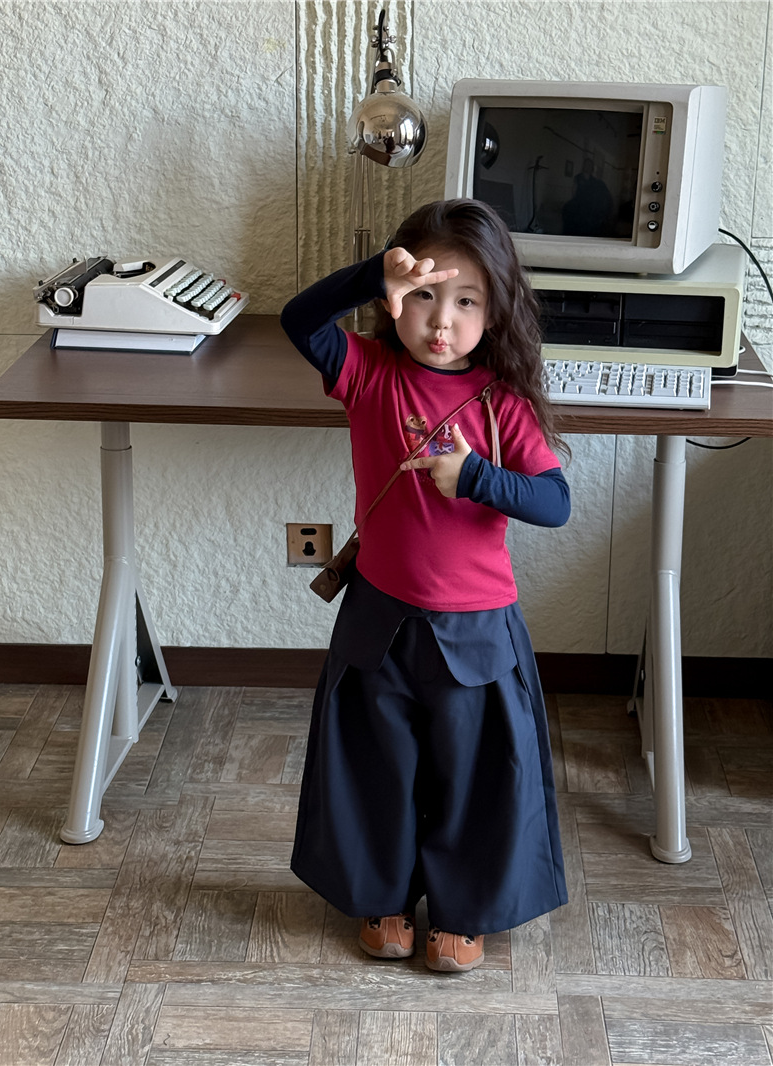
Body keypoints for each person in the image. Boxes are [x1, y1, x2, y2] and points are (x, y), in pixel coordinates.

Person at [280, 198, 570, 973]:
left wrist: (476, 477)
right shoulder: (368, 374)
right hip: (379, 618)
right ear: (393, 301)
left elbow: (555, 503)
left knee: (472, 773)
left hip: (477, 630)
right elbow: (299, 320)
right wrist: (373, 272)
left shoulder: (503, 402)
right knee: (378, 765)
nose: (442, 320)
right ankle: (381, 900)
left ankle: (462, 912)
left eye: (467, 301)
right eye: (425, 295)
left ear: (494, 311)